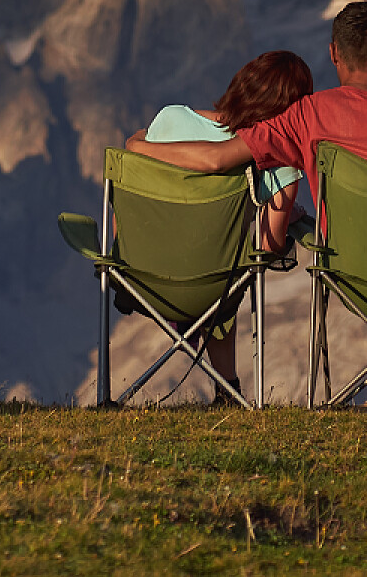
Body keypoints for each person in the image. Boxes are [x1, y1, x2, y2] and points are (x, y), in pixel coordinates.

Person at [127, 1, 367, 406]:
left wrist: (136, 145)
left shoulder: (307, 115)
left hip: (352, 275)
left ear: (333, 54)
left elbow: (217, 158)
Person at [131, 50, 314, 405]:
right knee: (223, 268)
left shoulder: (169, 117)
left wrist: (136, 143)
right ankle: (228, 390)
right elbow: (267, 246)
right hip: (210, 283)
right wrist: (288, 209)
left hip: (140, 274)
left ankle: (226, 390)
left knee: (212, 261)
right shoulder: (277, 159)